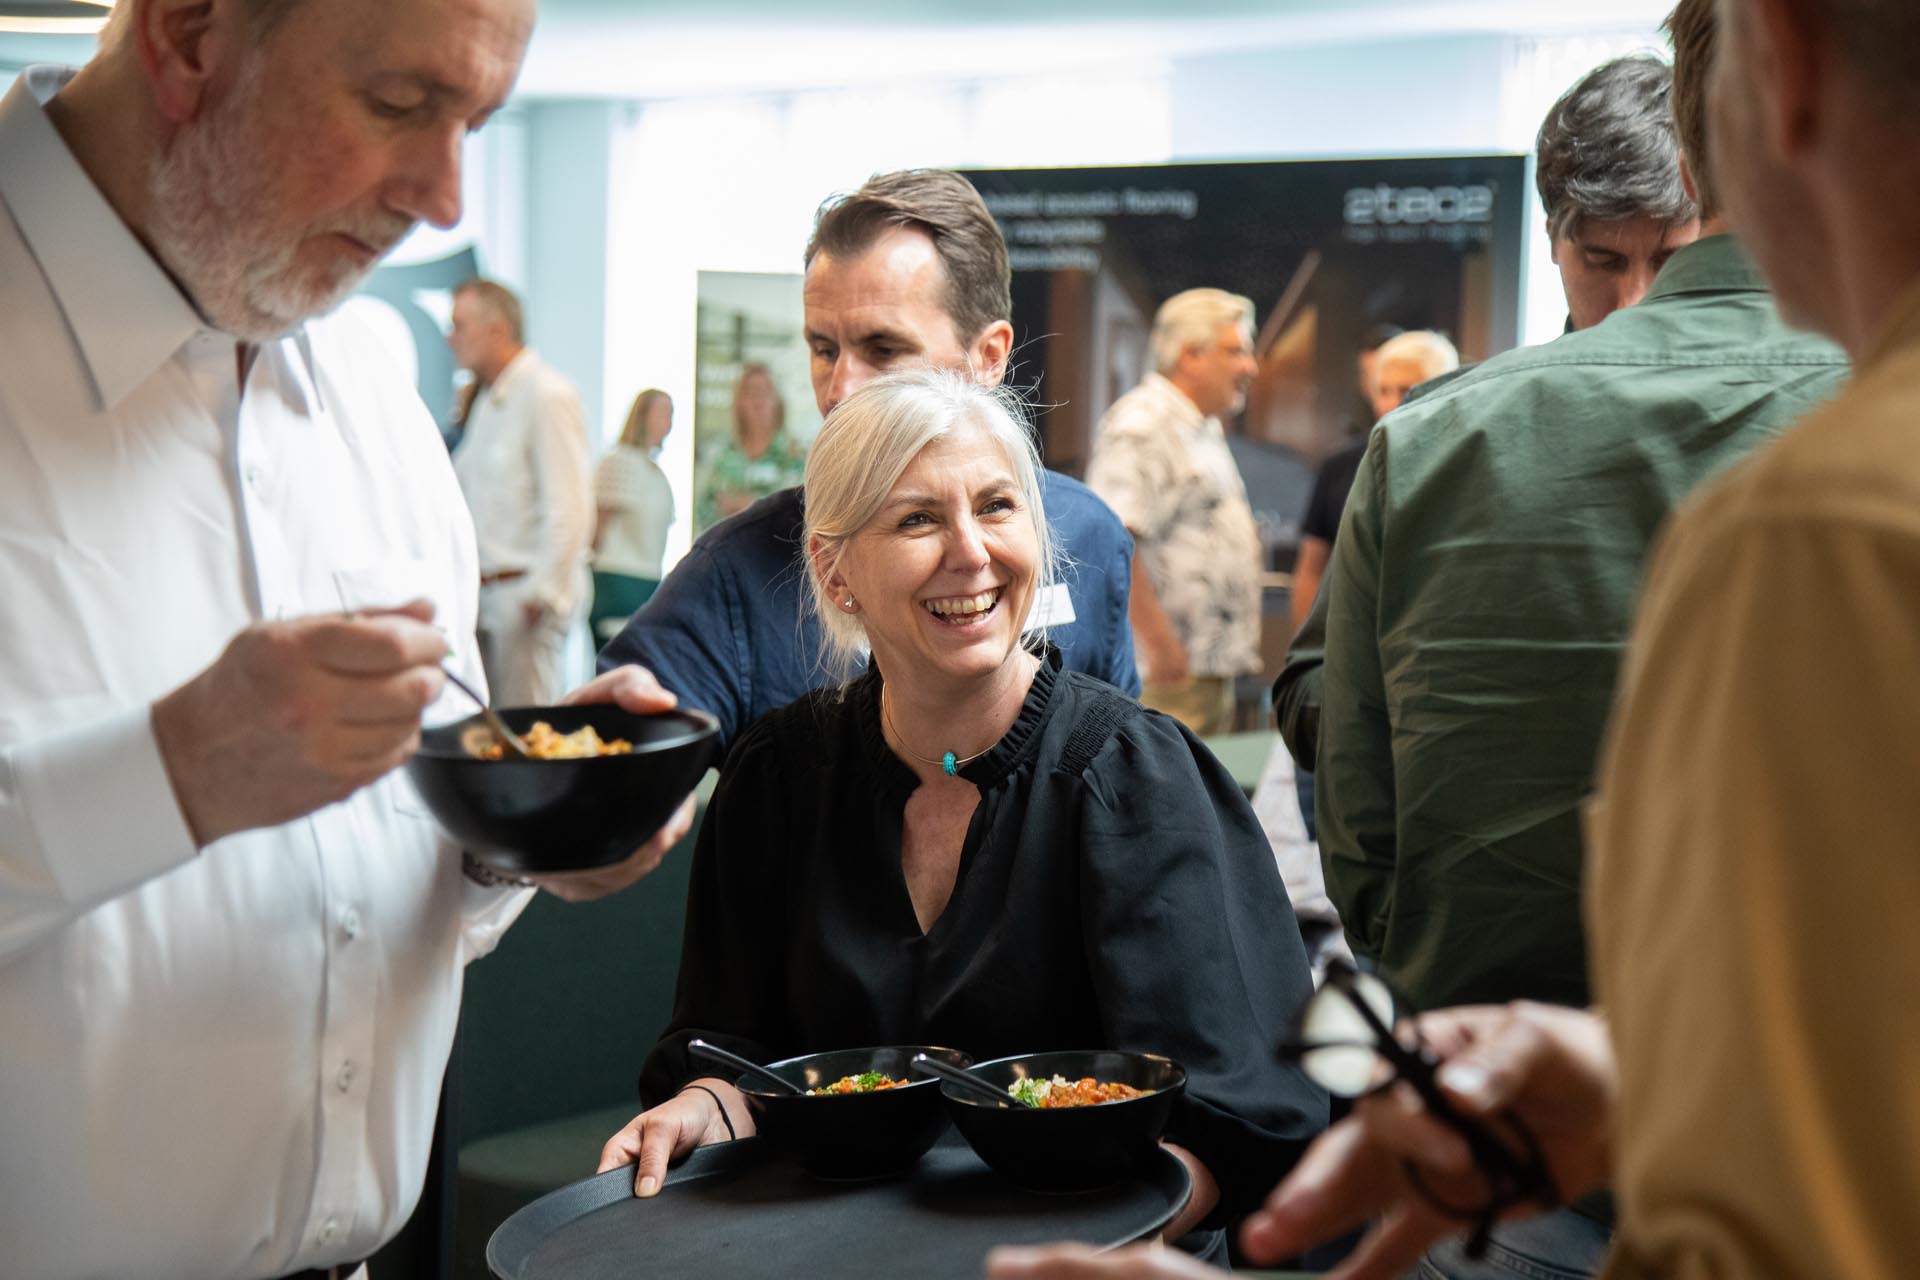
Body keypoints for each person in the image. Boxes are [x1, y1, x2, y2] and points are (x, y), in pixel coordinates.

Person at [1000, 0, 1920, 1273]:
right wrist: (1645, 1080)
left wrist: (1443, 950)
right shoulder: (1808, 478)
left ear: (1782, 69)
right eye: (1610, 259)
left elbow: (1355, 787)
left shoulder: (1815, 515)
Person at [0, 2, 686, 1275]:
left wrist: (521, 826)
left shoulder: (371, 380)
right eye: (398, 105)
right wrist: (168, 775)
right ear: (194, 34)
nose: (444, 201)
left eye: (475, 121)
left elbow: (393, 874)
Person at [597, 370, 1327, 1258]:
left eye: (996, 506)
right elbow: (732, 1049)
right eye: (916, 519)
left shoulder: (1136, 777)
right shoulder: (778, 776)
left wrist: (1092, 1242)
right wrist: (699, 1105)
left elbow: (1239, 1117)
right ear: (835, 569)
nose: (971, 551)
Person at [598, 169, 1137, 756]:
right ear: (829, 568)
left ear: (988, 357)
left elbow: (1113, 768)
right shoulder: (739, 570)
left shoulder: (1088, 536)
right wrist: (621, 754)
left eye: (883, 350)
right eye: (824, 350)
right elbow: (624, 743)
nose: (838, 391)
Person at [1086, 288, 1264, 736]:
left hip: (1201, 668)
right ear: (1190, 356)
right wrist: (1161, 645)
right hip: (1166, 675)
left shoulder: (1200, 427)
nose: (1250, 367)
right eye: (1235, 351)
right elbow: (1111, 541)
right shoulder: (1143, 425)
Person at [449, 276, 595, 705]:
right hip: (487, 600)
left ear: (498, 329)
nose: (450, 338)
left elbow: (569, 503)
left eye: (460, 325)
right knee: (493, 746)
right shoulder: (484, 403)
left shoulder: (547, 394)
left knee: (526, 744)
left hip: (523, 604)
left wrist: (542, 593)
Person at [1289, 330, 1459, 634]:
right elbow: (1310, 569)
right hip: (1350, 641)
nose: (1392, 404)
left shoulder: (1462, 464)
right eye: (1382, 390)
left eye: (1407, 390)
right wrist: (1307, 654)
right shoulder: (1340, 466)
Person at [1536, 54, 1702, 331]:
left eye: (1670, 265)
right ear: (1553, 240)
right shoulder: (1506, 376)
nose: (1632, 303)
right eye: (1604, 262)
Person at [591, 387, 676, 645]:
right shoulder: (620, 462)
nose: (668, 421)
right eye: (662, 412)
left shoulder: (656, 472)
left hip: (647, 581)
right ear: (642, 415)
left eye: (671, 413)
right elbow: (598, 526)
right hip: (617, 579)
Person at [696, 362, 808, 531]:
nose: (758, 399)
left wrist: (749, 505)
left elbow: (801, 512)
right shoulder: (722, 456)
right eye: (750, 392)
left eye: (764, 391)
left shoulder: (794, 456)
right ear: (739, 402)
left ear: (777, 400)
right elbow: (702, 510)